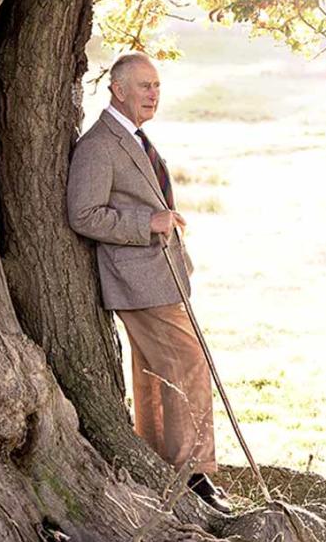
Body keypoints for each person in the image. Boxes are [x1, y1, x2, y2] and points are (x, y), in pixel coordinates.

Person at [66, 51, 231, 514]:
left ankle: (163, 466)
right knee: (188, 364)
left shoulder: (135, 139)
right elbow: (83, 214)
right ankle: (193, 475)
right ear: (117, 88)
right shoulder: (100, 145)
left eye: (157, 86)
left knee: (157, 373)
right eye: (144, 86)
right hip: (138, 281)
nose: (153, 95)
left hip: (161, 276)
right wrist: (149, 222)